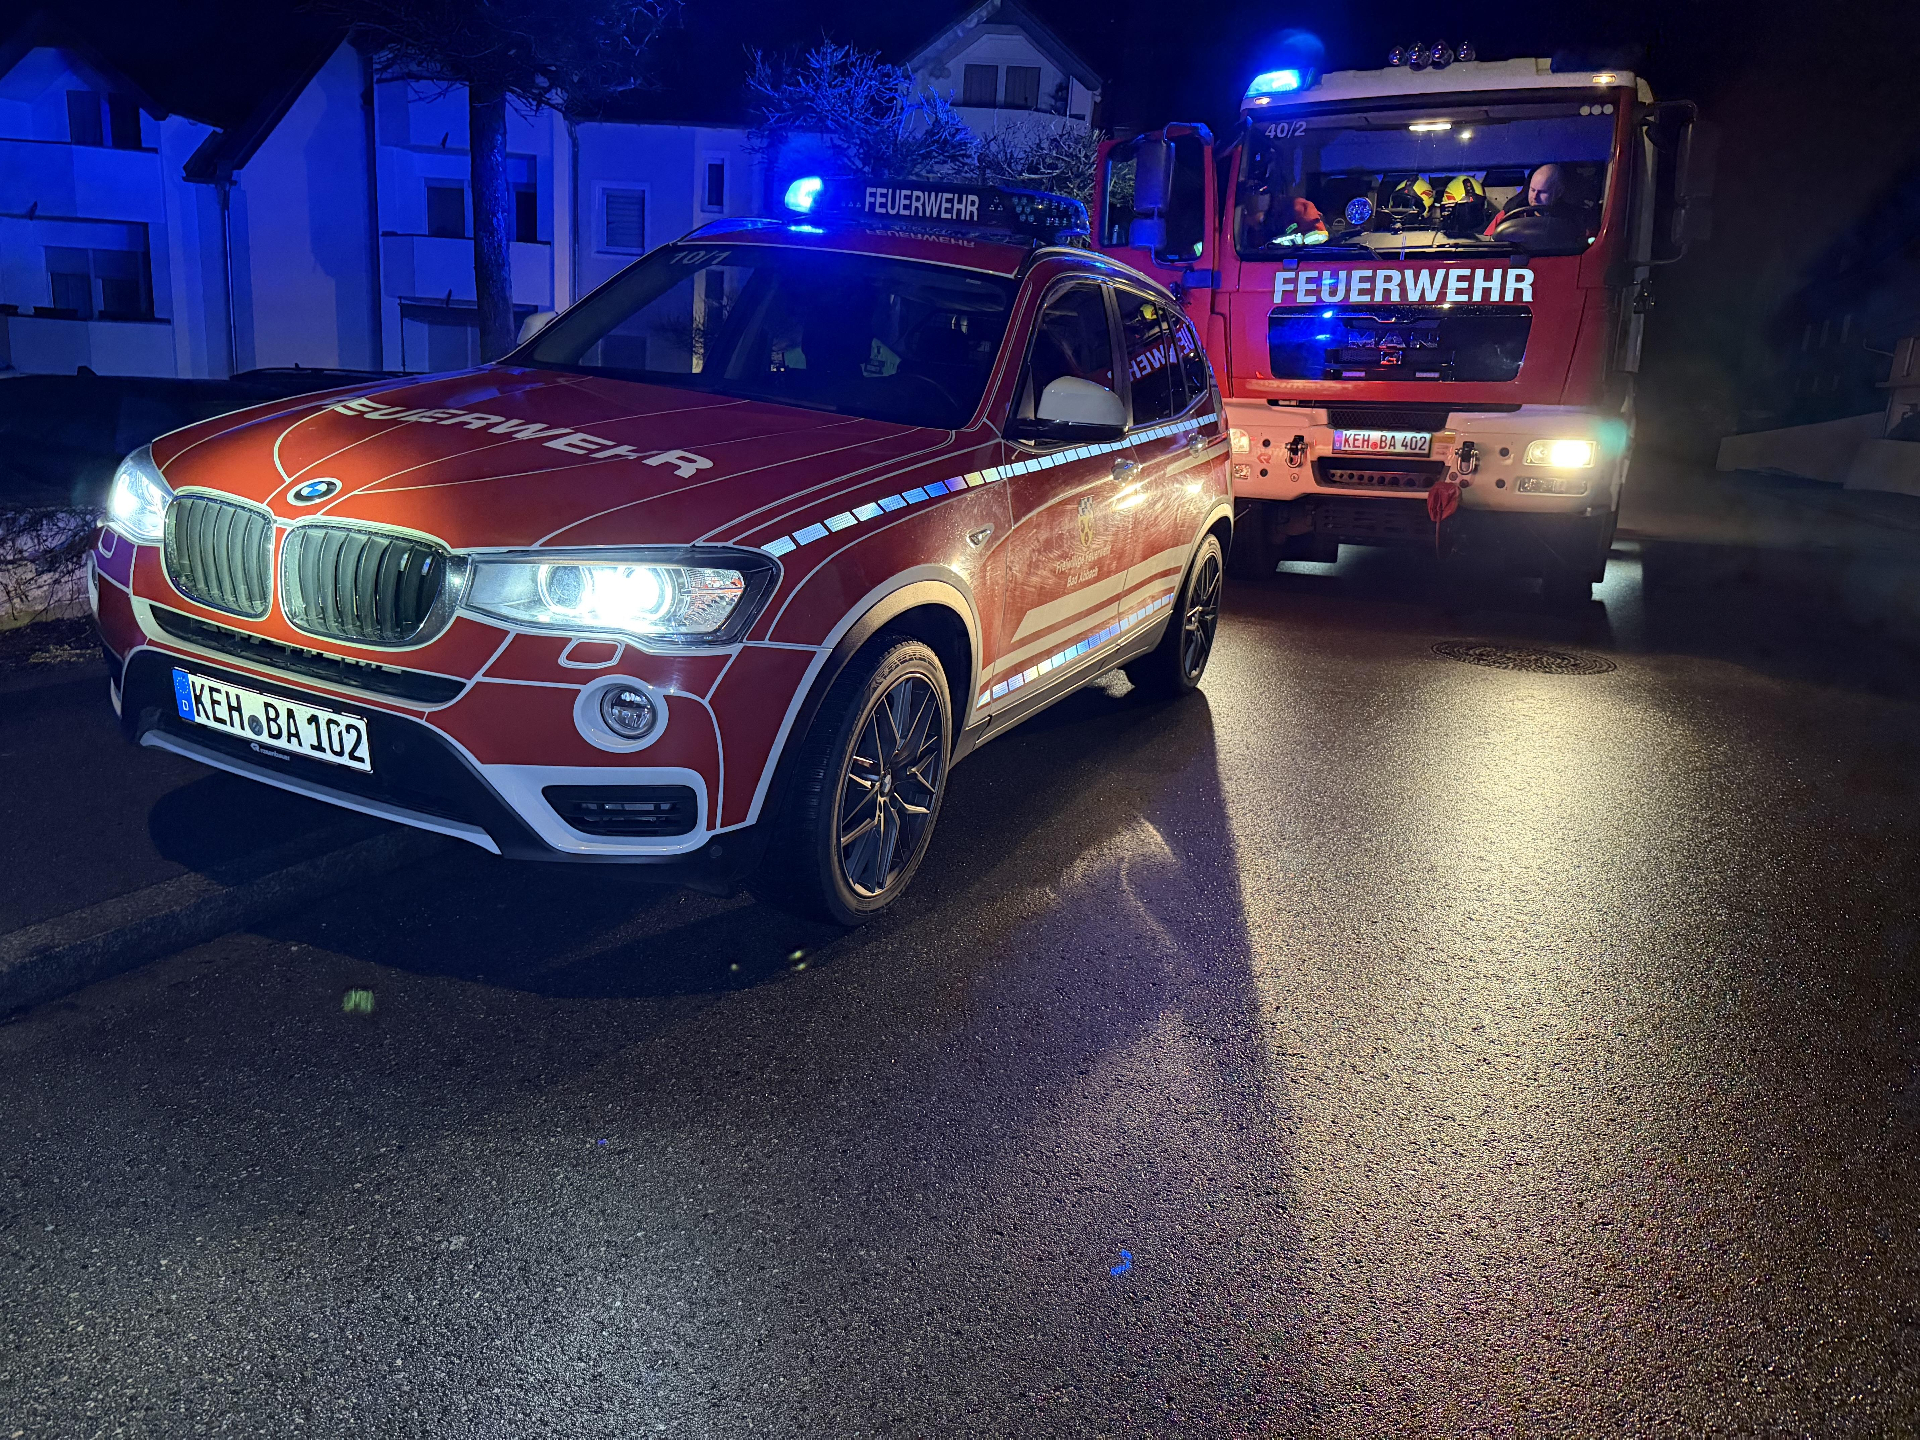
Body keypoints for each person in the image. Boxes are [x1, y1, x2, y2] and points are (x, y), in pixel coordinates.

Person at [1484, 163, 1573, 234]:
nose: (1534, 197)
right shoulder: (1510, 212)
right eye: (1532, 190)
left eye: (1542, 192)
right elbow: (1489, 243)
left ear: (1559, 192)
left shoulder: (1573, 219)